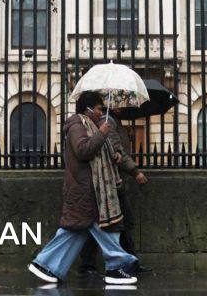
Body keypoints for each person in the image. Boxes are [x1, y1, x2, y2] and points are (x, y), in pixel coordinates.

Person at [28, 91, 139, 285]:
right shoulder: (76, 126)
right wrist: (103, 132)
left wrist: (115, 155)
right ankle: (117, 265)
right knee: (104, 229)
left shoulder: (92, 125)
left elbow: (100, 152)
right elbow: (83, 150)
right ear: (88, 109)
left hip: (92, 190)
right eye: (98, 108)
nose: (100, 112)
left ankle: (46, 265)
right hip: (86, 190)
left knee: (75, 231)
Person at [77, 109, 150, 278]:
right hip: (109, 181)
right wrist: (135, 171)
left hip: (111, 179)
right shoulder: (107, 119)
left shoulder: (113, 119)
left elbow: (115, 149)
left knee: (106, 223)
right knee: (117, 222)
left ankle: (120, 262)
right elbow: (113, 149)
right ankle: (123, 263)